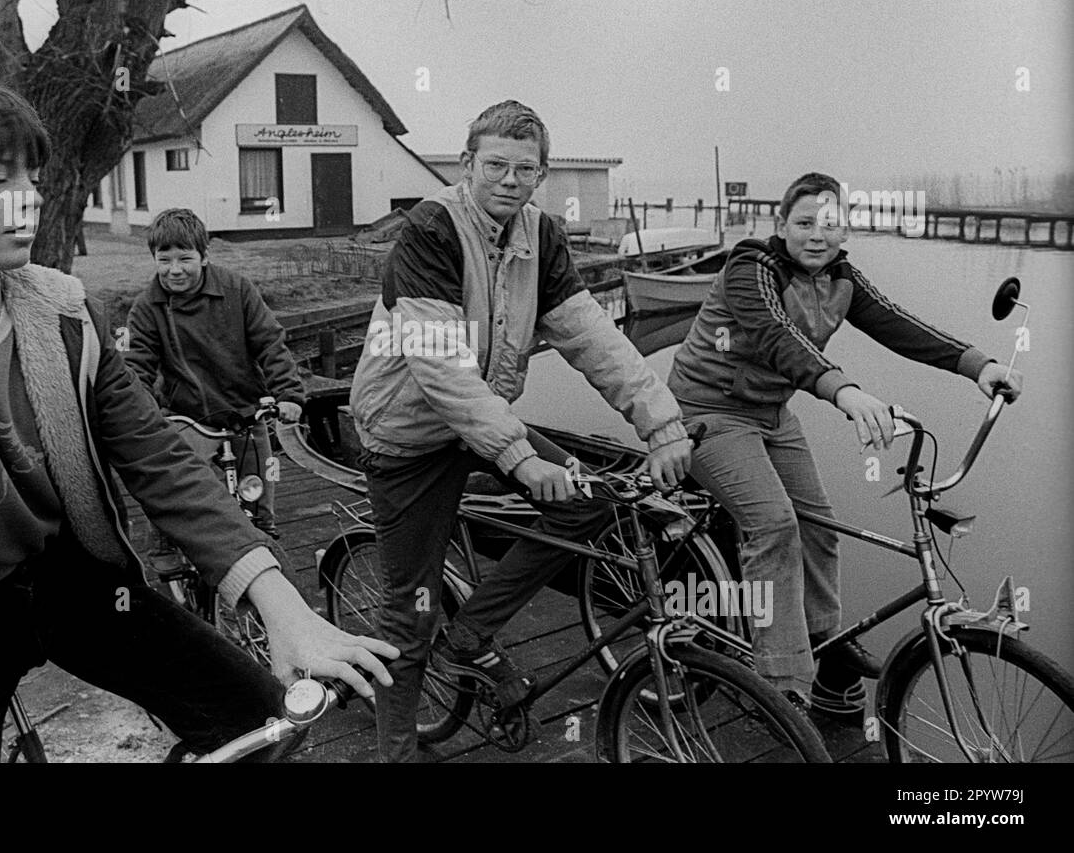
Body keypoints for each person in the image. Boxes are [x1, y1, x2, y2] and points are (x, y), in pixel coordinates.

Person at [0, 77, 395, 764]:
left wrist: (283, 608)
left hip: (73, 581)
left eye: (32, 176)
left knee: (258, 726)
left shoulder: (67, 314)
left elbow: (160, 461)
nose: (29, 196)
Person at [350, 100, 693, 761]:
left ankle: (472, 634)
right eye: (496, 165)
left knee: (588, 504)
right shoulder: (430, 231)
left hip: (482, 421)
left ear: (541, 176)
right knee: (411, 609)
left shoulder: (543, 237)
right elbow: (438, 364)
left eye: (525, 169)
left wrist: (663, 422)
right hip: (409, 431)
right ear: (468, 163)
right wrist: (517, 455)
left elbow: (591, 336)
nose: (510, 180)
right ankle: (395, 751)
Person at [666, 172, 1022, 720]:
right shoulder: (750, 268)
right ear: (780, 225)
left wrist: (979, 364)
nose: (816, 235)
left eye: (829, 225)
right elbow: (776, 337)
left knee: (820, 528)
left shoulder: (841, 277)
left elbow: (897, 324)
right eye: (803, 223)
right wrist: (846, 392)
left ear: (844, 230)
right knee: (773, 526)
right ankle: (781, 686)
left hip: (770, 412)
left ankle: (827, 652)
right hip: (707, 411)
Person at [123, 207, 304, 540]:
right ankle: (167, 553)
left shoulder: (237, 290)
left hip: (244, 414)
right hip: (190, 420)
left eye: (185, 259)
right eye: (164, 260)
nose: (174, 270)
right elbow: (137, 367)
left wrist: (288, 393)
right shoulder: (147, 307)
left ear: (204, 257)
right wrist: (142, 414)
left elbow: (269, 343)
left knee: (260, 510)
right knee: (177, 499)